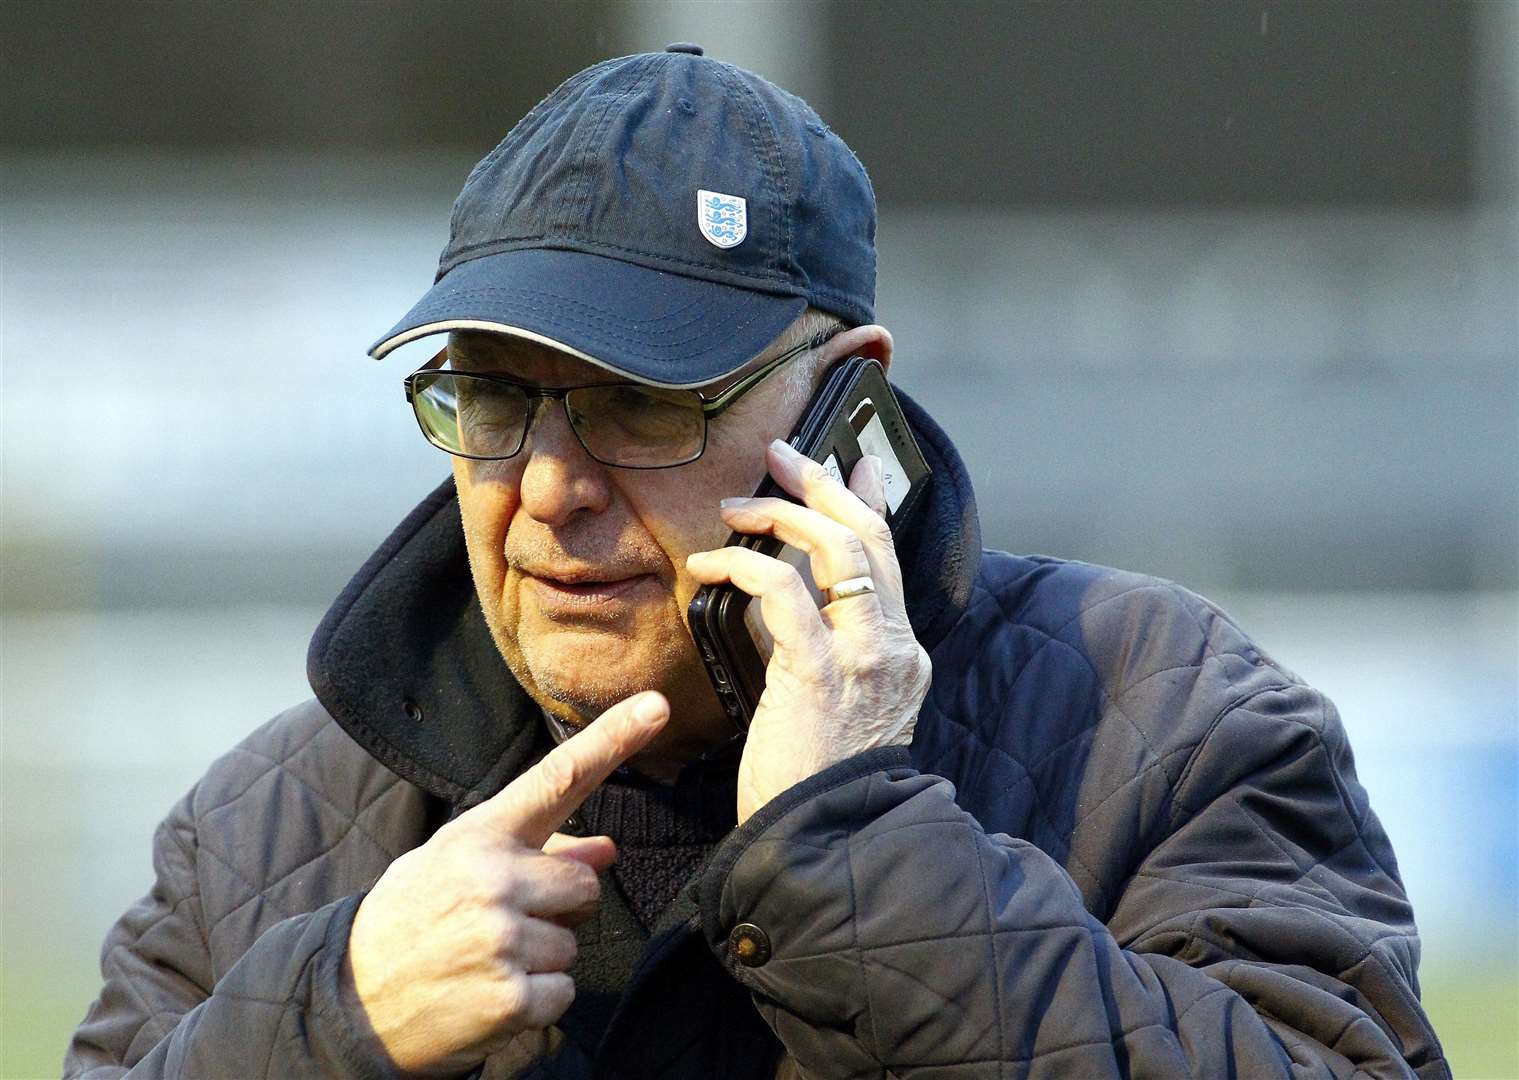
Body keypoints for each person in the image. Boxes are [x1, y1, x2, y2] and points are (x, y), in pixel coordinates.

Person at [66, 44, 1448, 1079]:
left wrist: (853, 854)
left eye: (642, 402)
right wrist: (330, 1025)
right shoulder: (267, 828)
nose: (548, 487)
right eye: (492, 396)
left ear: (847, 408)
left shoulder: (1166, 719)